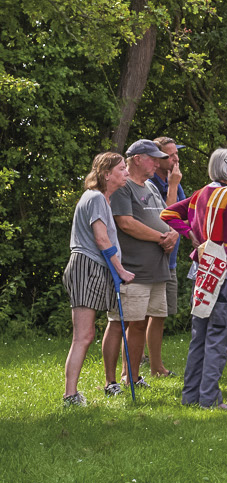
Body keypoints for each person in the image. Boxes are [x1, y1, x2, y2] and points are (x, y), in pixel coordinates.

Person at [169, 148, 227, 409]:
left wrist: (189, 233)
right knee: (219, 334)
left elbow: (168, 214)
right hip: (221, 273)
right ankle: (210, 398)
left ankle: (190, 395)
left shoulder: (200, 194)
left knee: (199, 335)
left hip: (201, 271)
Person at [101, 140, 180, 395]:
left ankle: (132, 377)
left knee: (140, 323)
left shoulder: (151, 187)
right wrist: (161, 238)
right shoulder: (124, 189)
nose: (158, 163)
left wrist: (172, 234)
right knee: (119, 322)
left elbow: (164, 216)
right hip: (132, 270)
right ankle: (111, 381)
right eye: (152, 158)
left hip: (157, 268)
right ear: (136, 158)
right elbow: (125, 223)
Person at [63, 153, 135, 405]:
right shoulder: (95, 198)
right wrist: (121, 271)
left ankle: (71, 394)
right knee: (83, 335)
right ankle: (70, 395)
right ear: (107, 174)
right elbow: (101, 239)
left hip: (93, 268)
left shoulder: (103, 199)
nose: (126, 172)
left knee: (86, 334)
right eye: (122, 168)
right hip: (87, 267)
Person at [145, 136, 187, 377]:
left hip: (169, 259)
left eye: (176, 154)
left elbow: (182, 216)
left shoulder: (174, 181)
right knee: (142, 315)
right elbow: (166, 215)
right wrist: (172, 187)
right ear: (157, 159)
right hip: (153, 257)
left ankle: (155, 366)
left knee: (160, 314)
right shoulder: (151, 183)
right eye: (170, 155)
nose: (176, 159)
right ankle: (141, 362)